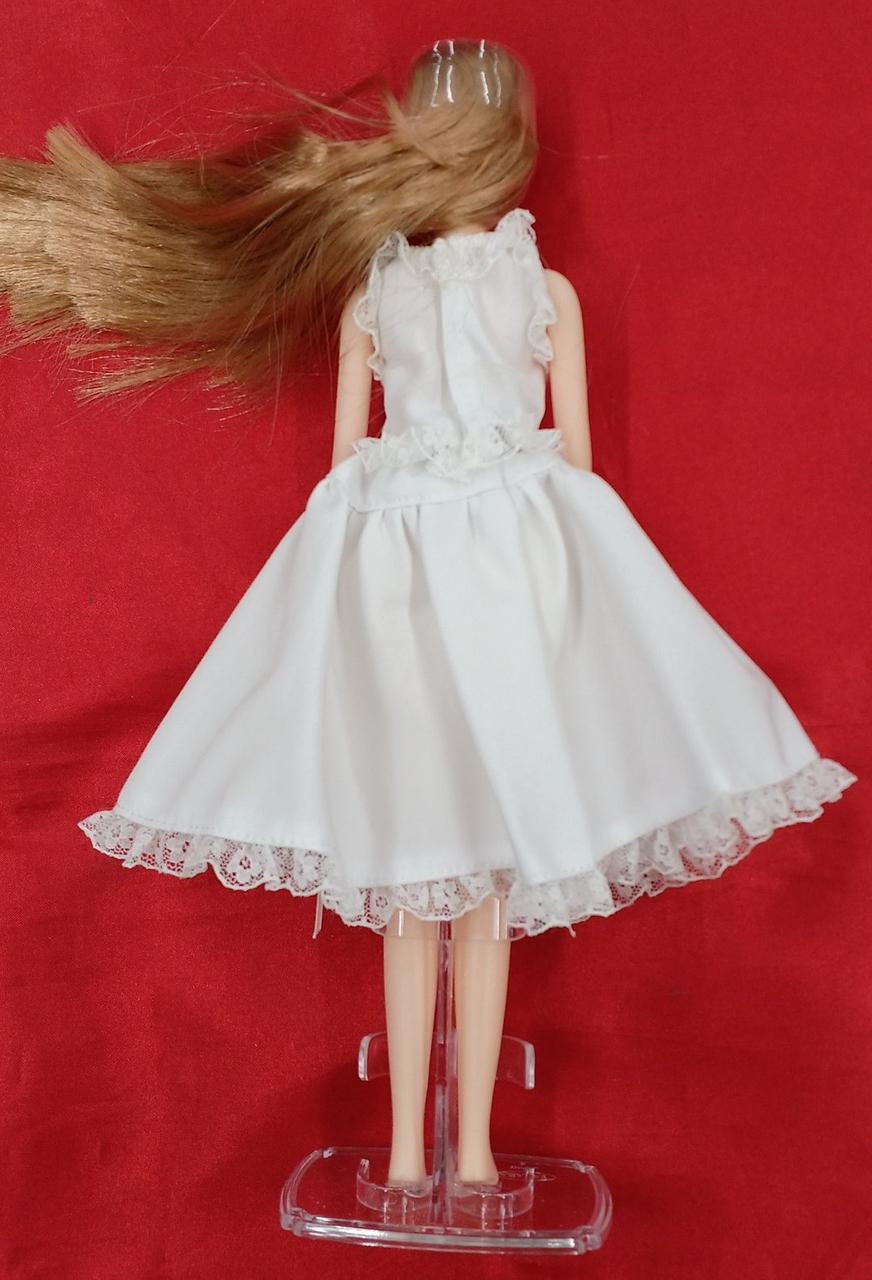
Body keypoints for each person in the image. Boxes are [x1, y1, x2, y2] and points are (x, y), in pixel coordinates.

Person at [0, 37, 857, 1191]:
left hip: (441, 557)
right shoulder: (417, 286)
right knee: (436, 874)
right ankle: (417, 1148)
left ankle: (460, 1148)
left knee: (461, 881)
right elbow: (476, 461)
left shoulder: (502, 287)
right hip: (430, 563)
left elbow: (484, 463)